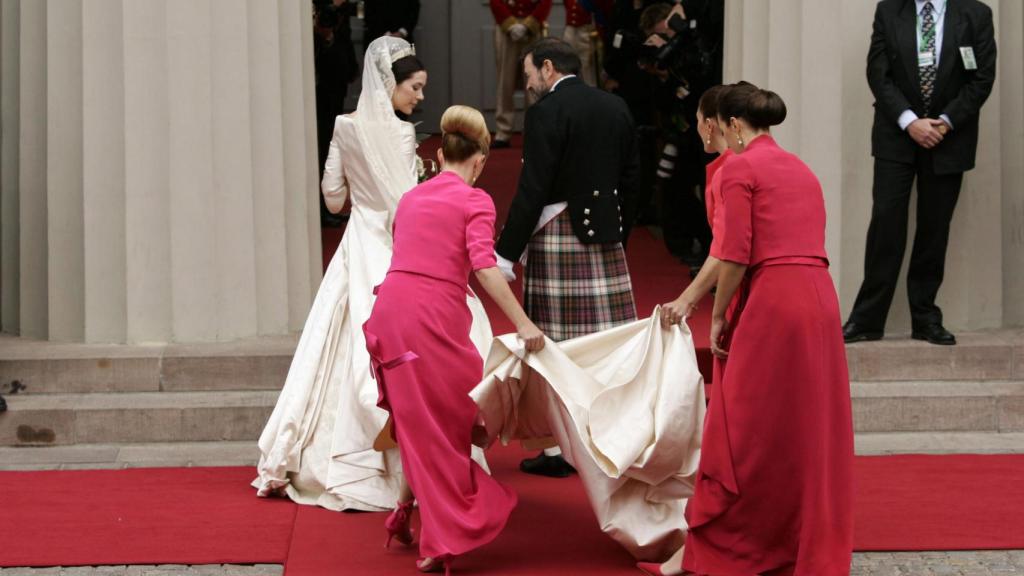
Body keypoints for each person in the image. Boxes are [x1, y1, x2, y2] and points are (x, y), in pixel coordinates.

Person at [254, 37, 494, 513]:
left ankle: (329, 455)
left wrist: (360, 196)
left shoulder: (344, 126)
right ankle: (412, 458)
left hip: (357, 241)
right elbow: (408, 202)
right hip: (397, 249)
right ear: (390, 84)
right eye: (415, 87)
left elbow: (333, 198)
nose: (420, 97)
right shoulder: (403, 136)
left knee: (340, 343)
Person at [641, 83, 854, 575]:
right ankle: (794, 539)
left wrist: (715, 315)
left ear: (732, 125)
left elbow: (734, 251)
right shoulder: (800, 167)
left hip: (775, 300)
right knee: (802, 430)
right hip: (819, 299)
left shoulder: (739, 166)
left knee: (743, 429)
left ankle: (734, 544)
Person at [364, 105, 543, 574]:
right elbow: (484, 266)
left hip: (390, 313)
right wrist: (522, 322)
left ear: (441, 153)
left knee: (422, 418)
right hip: (431, 318)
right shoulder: (475, 201)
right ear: (481, 160)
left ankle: (403, 513)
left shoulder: (412, 197)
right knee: (446, 422)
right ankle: (441, 537)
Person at [495, 38, 639, 478]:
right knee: (606, 346)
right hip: (605, 236)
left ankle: (560, 452)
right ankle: (613, 440)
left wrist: (505, 253)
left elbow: (533, 187)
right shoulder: (615, 106)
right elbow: (633, 178)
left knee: (557, 347)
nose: (527, 83)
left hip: (557, 234)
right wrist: (620, 232)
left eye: (529, 73)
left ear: (549, 67)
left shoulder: (545, 113)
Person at [843, 0, 996, 346]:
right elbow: (877, 74)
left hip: (949, 137)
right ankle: (867, 318)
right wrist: (910, 122)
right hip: (896, 135)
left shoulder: (977, 14)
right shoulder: (888, 10)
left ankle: (925, 317)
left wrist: (944, 123)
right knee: (886, 222)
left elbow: (982, 78)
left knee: (934, 226)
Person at [660, 83, 732, 388]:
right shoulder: (727, 168)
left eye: (698, 119)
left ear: (710, 124)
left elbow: (729, 248)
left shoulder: (732, 172)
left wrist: (689, 301)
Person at [490, 0, 552, 148]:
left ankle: (535, 130)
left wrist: (530, 24)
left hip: (532, 29)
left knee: (535, 82)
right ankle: (503, 132)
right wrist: (510, 24)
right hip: (507, 30)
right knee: (505, 82)